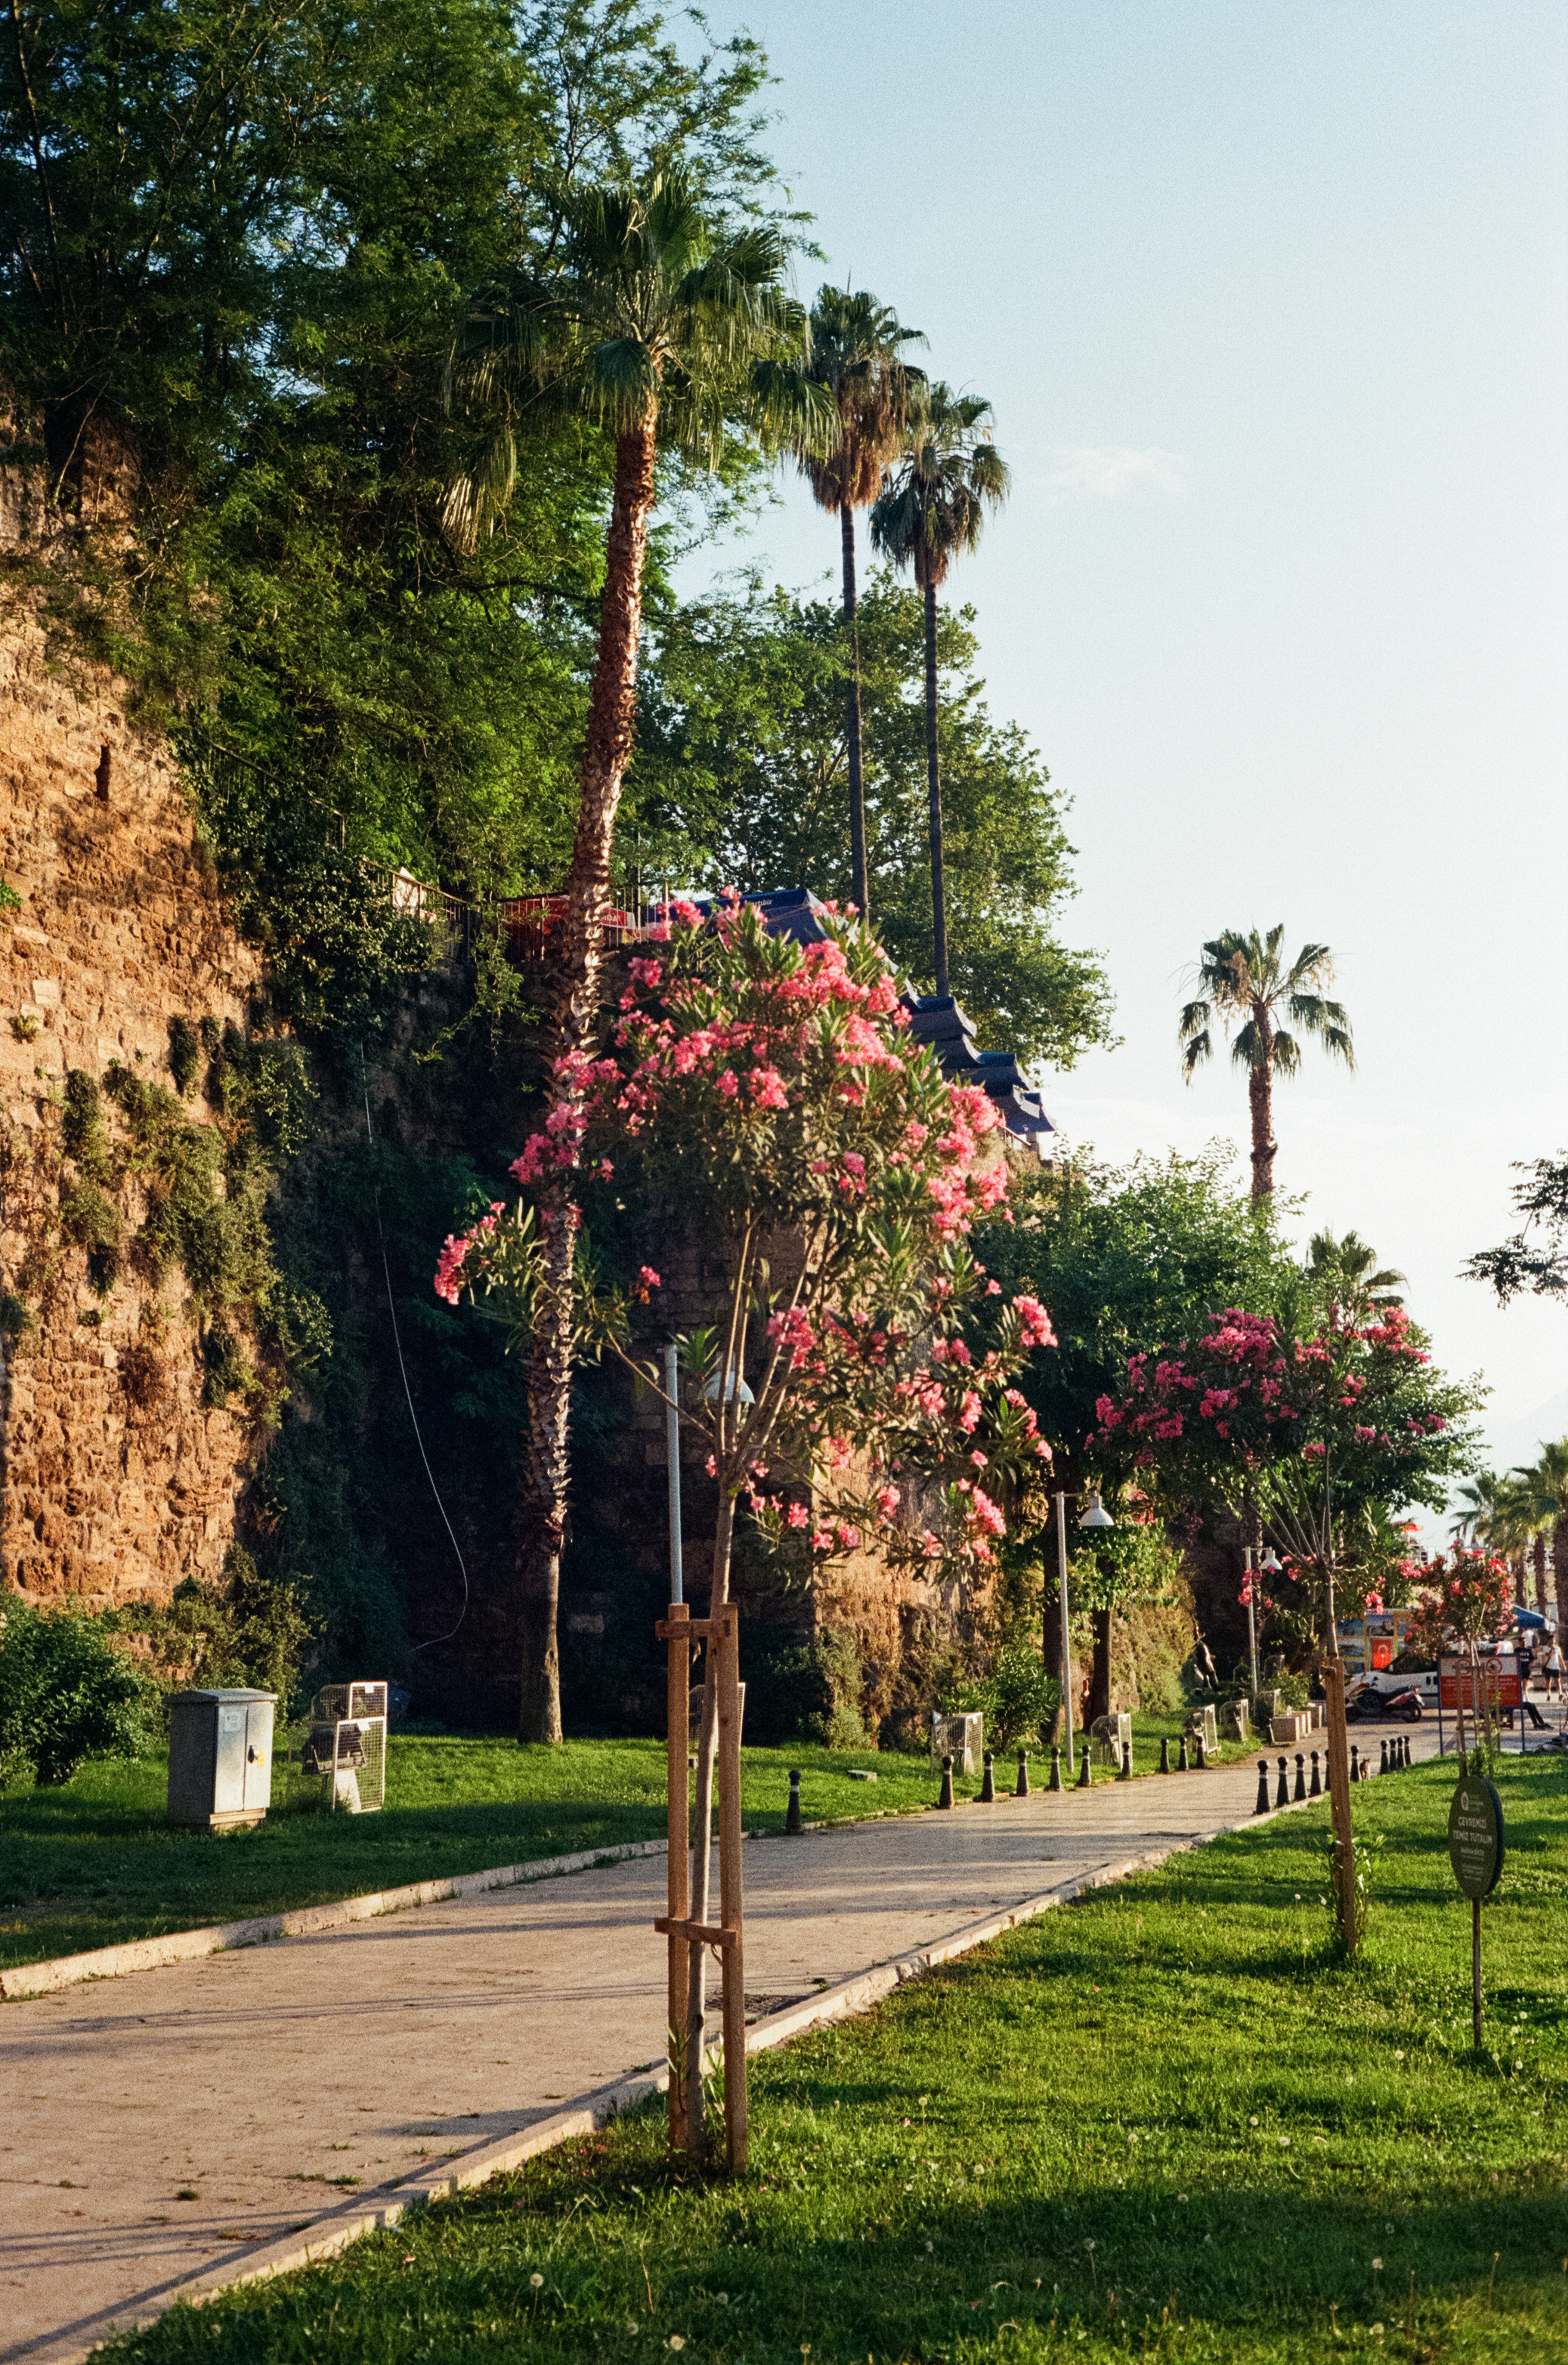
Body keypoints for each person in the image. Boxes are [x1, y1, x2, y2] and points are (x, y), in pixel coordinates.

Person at [1546, 1637, 1564, 1702]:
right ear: (1549, 1640)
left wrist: (1563, 1665)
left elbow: (1560, 1657)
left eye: (1554, 1639)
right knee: (1548, 1681)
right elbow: (1548, 1656)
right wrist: (1551, 1649)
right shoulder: (1546, 1647)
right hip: (1549, 1666)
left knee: (1557, 1681)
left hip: (1556, 1666)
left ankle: (1560, 1694)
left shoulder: (1558, 1648)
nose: (1553, 1641)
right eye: (1551, 1639)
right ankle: (1549, 1694)